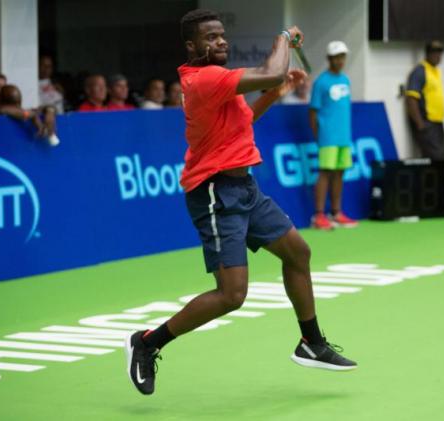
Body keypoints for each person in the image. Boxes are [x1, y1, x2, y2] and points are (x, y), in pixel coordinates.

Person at [124, 9, 357, 396]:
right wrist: (284, 37)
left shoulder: (215, 82)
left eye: (221, 36)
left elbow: (243, 119)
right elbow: (271, 68)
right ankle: (147, 343)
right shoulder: (204, 78)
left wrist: (274, 93)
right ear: (191, 46)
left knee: (298, 253)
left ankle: (311, 342)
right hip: (215, 193)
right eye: (210, 38)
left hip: (245, 186)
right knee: (231, 295)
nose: (220, 42)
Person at [308, 41, 358, 230]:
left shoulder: (345, 80)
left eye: (342, 56)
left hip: (343, 137)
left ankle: (336, 213)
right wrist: (318, 136)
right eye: (336, 57)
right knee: (325, 174)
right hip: (327, 137)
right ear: (329, 59)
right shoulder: (321, 82)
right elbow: (312, 112)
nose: (340, 60)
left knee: (339, 173)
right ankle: (319, 216)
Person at [405, 41, 444, 208]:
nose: (438, 56)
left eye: (440, 53)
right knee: (437, 160)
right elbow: (411, 99)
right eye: (435, 52)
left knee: (439, 160)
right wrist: (420, 124)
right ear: (427, 53)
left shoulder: (436, 71)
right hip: (427, 124)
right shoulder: (420, 71)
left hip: (437, 123)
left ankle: (436, 196)